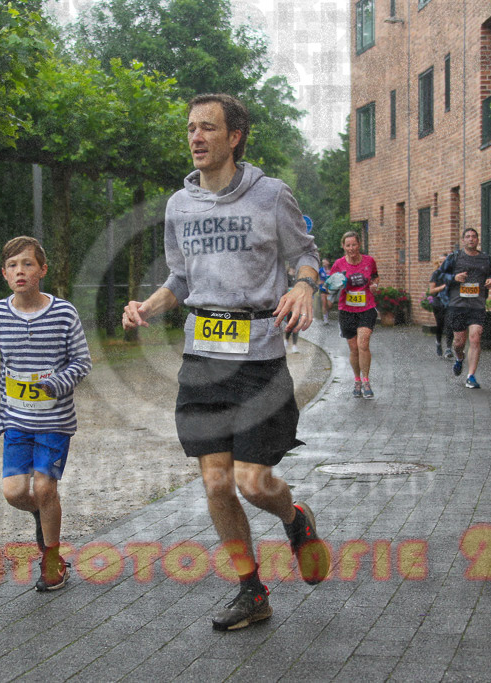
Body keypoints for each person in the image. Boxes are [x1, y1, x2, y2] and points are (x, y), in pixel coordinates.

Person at [122, 93, 329, 632]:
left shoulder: (271, 196)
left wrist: (304, 288)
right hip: (201, 360)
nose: (196, 137)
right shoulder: (179, 205)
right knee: (217, 485)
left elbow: (307, 255)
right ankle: (251, 590)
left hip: (259, 359)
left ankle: (295, 518)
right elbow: (180, 278)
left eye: (208, 128)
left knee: (254, 482)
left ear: (234, 137)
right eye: (191, 128)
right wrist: (149, 305)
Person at [0, 236, 92, 591]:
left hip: (54, 423)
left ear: (42, 270)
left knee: (45, 488)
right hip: (16, 422)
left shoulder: (63, 312)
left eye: (27, 264)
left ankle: (53, 562)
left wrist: (57, 383)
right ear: (4, 274)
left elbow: (82, 362)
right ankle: (43, 517)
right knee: (14, 493)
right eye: (13, 266)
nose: (20, 271)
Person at [437, 227, 491, 388]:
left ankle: (471, 376)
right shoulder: (454, 257)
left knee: (475, 338)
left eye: (474, 237)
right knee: (459, 342)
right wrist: (454, 277)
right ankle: (459, 358)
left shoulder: (485, 258)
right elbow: (439, 275)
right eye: (468, 237)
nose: (471, 239)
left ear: (477, 240)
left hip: (477, 305)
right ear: (463, 240)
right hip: (458, 305)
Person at [329, 231, 379, 399]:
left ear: (359, 245)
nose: (351, 248)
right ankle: (356, 380)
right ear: (343, 246)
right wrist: (335, 286)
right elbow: (331, 285)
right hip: (347, 310)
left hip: (366, 308)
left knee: (363, 343)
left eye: (354, 244)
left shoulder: (369, 261)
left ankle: (366, 381)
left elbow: (375, 278)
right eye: (348, 245)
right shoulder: (338, 264)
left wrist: (374, 285)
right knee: (354, 348)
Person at [428, 253, 454, 357]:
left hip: (450, 301)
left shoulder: (452, 274)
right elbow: (431, 290)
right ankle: (438, 343)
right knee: (440, 324)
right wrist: (443, 287)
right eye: (440, 261)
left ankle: (448, 349)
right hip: (438, 301)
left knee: (449, 324)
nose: (442, 263)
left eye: (444, 261)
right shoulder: (436, 274)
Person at [284, 266, 300, 353]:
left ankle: (294, 345)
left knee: (296, 324)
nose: (293, 270)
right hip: (288, 305)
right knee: (290, 323)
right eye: (292, 268)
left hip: (296, 305)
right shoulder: (285, 278)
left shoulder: (298, 279)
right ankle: (286, 340)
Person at [318, 257, 333, 325]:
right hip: (323, 289)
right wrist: (318, 282)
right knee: (324, 304)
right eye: (322, 262)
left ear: (328, 262)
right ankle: (325, 318)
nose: (323, 263)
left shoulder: (332, 270)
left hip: (330, 289)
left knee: (329, 305)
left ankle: (326, 313)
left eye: (325, 262)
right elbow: (316, 277)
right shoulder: (320, 270)